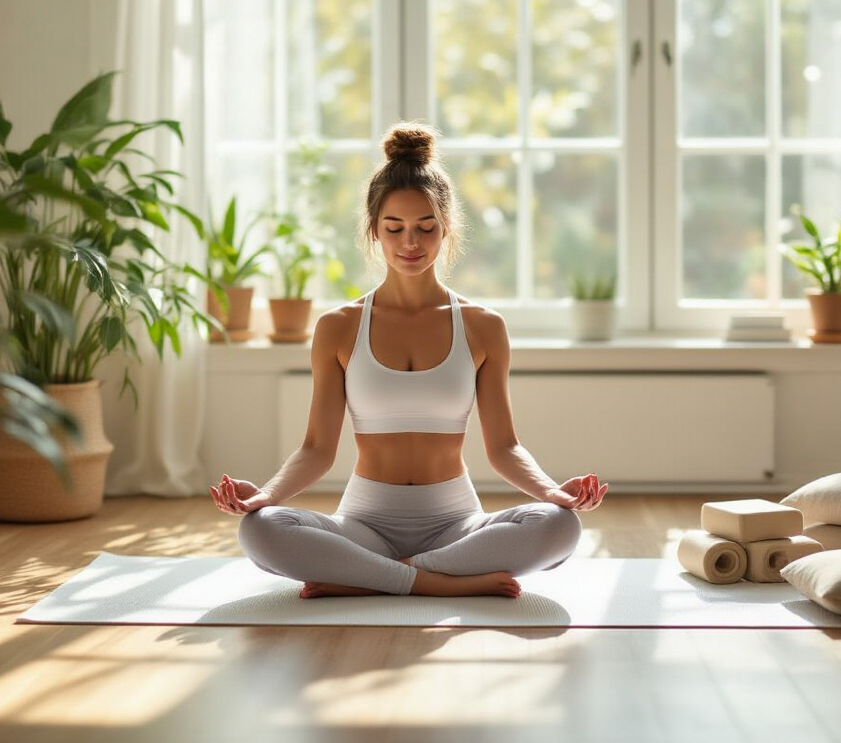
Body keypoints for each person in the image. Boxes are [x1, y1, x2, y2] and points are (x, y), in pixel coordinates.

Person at [210, 121, 608, 599]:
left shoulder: (484, 326)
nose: (410, 244)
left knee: (559, 527)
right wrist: (265, 496)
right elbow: (317, 447)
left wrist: (553, 493)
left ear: (447, 228)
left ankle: (369, 577)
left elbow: (505, 447)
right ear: (373, 232)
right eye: (394, 228)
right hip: (363, 524)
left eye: (425, 228)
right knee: (260, 529)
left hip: (457, 526)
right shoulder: (339, 326)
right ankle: (437, 583)